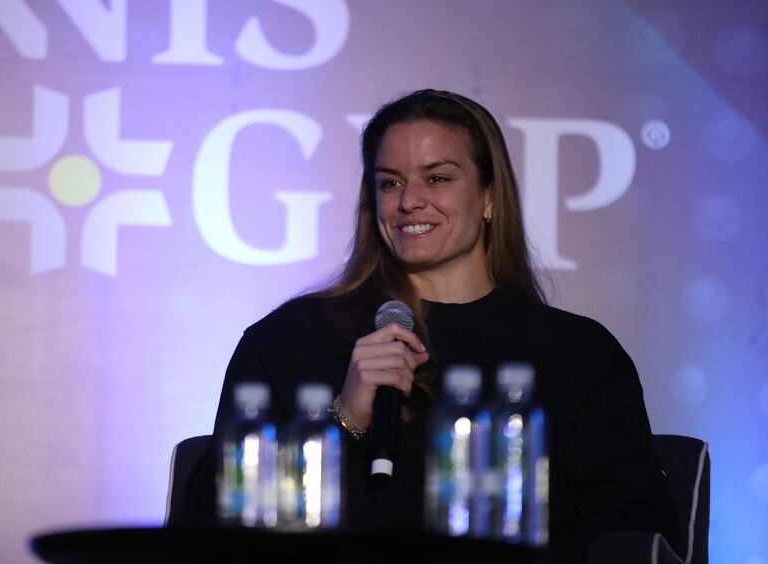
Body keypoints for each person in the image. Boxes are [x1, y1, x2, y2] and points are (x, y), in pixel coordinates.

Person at [175, 89, 679, 563]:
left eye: (437, 178)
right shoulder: (288, 340)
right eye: (390, 182)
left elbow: (631, 528)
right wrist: (344, 419)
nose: (410, 201)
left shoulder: (578, 354)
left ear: (488, 198)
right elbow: (205, 523)